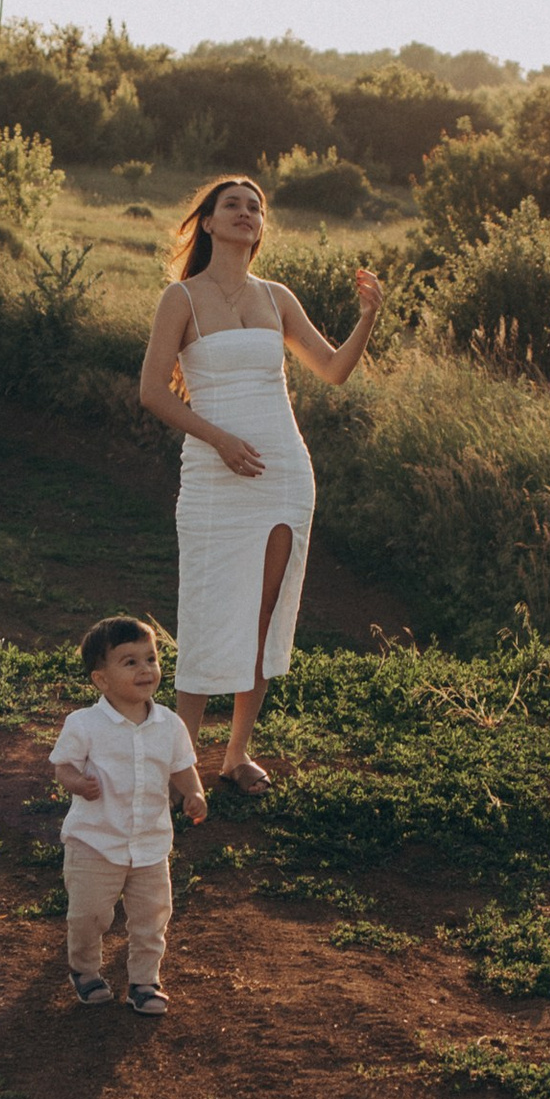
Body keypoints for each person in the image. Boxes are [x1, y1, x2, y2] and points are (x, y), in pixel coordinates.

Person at [138, 174, 381, 790]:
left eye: (256, 207)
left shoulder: (277, 297)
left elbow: (331, 371)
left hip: (283, 472)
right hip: (214, 476)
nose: (246, 213)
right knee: (205, 609)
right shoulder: (182, 299)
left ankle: (236, 754)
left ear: (260, 228)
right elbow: (151, 392)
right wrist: (217, 438)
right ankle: (182, 761)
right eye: (232, 205)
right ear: (210, 223)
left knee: (264, 612)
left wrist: (368, 317)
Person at [50, 611, 207, 1012]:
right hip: (94, 842)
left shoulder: (169, 724)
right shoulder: (84, 724)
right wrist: (77, 784)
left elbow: (182, 766)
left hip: (151, 846)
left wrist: (194, 793)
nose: (145, 669)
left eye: (151, 658)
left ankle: (144, 982)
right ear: (101, 679)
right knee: (88, 916)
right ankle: (85, 970)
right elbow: (63, 765)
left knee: (152, 917)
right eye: (130, 661)